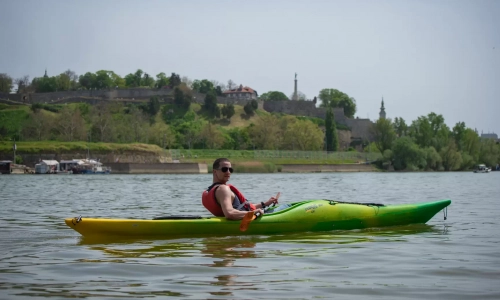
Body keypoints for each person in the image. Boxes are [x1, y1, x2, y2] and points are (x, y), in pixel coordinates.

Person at [202, 158, 279, 220]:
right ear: (215, 172)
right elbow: (229, 213)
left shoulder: (209, 192)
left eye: (230, 170)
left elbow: (242, 208)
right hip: (253, 218)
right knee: (288, 206)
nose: (228, 172)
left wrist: (265, 204)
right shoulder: (223, 189)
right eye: (224, 169)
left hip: (250, 215)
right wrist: (253, 213)